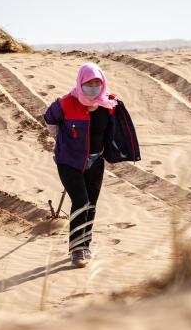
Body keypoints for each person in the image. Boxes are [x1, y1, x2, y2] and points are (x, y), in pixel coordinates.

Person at [44, 62, 141, 268]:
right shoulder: (66, 103)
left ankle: (85, 243)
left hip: (96, 160)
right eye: (89, 82)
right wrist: (60, 139)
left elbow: (113, 131)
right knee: (81, 201)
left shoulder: (108, 105)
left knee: (92, 203)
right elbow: (49, 118)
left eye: (97, 81)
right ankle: (77, 250)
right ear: (81, 82)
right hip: (69, 161)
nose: (93, 85)